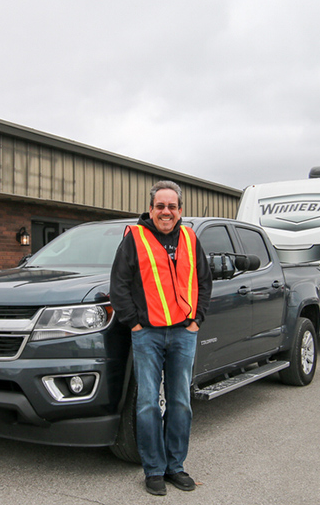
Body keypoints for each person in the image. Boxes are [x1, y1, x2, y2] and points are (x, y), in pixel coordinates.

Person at [110, 180, 212, 496]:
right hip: (148, 335)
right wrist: (136, 326)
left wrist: (196, 320)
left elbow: (204, 282)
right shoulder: (135, 238)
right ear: (151, 208)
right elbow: (119, 287)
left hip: (184, 333)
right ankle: (153, 470)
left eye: (171, 206)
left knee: (181, 402)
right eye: (160, 206)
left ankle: (175, 467)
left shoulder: (190, 238)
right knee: (147, 404)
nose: (166, 211)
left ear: (180, 210)